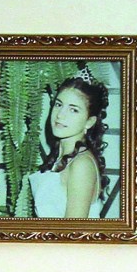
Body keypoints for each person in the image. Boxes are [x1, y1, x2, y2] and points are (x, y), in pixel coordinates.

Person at [27, 73, 110, 218]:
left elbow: (73, 230)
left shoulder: (81, 164)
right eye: (58, 105)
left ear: (89, 122)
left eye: (73, 110)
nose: (60, 115)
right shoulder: (61, 157)